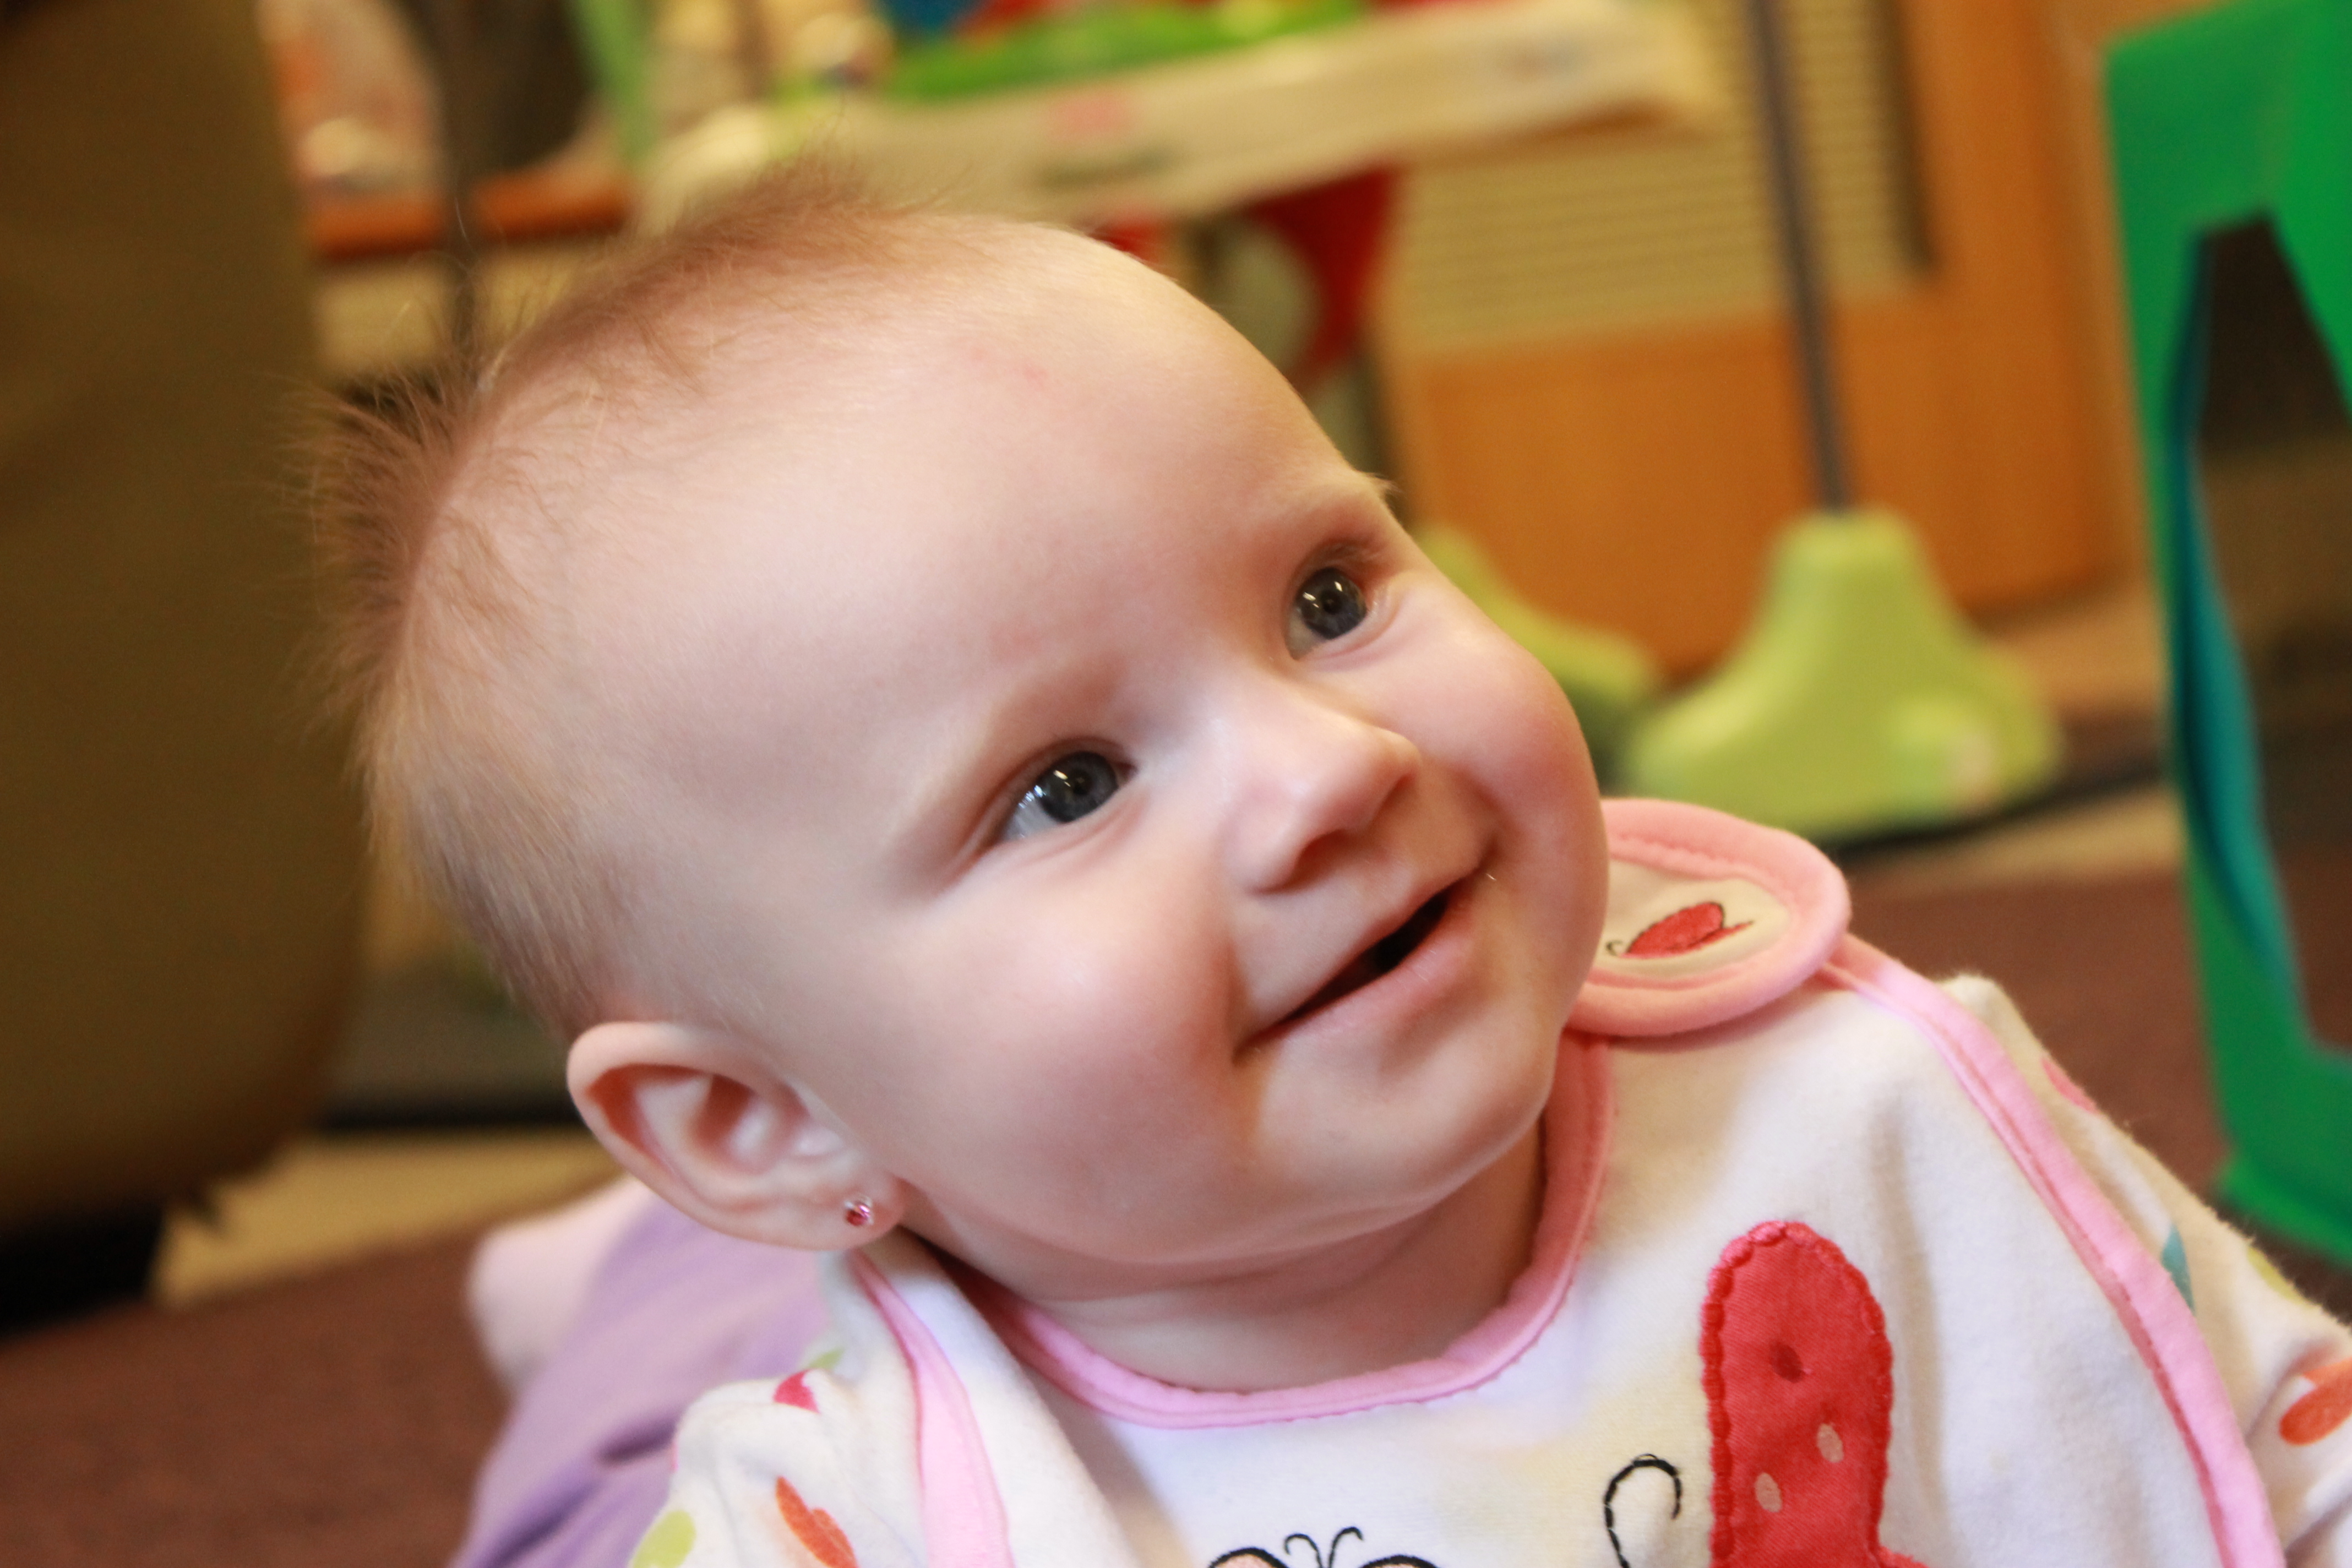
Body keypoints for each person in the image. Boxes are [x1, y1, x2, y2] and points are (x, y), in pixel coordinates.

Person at [323, 166, 2352, 1568]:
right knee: (620, 1437)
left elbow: (2287, 1463)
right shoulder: (877, 1514)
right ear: (756, 1116)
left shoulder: (1873, 1109)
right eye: (1066, 786)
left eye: (1325, 596)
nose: (1330, 768)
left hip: (939, 1152)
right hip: (782, 1289)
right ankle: (622, 1269)